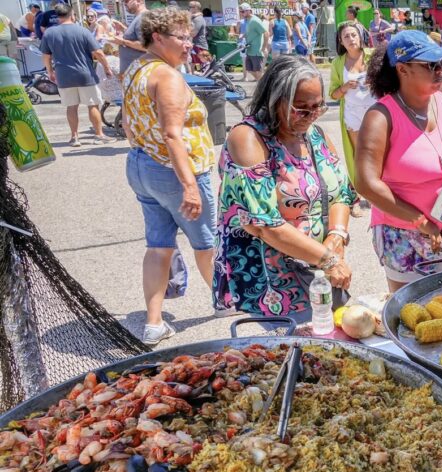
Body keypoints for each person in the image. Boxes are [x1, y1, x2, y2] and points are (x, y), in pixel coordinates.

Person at [215, 56, 354, 318]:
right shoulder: (248, 138)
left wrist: (336, 236)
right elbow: (261, 223)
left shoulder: (315, 135)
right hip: (272, 280)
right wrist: (328, 259)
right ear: (275, 99)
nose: (311, 116)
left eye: (318, 107)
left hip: (320, 270)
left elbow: (341, 194)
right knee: (284, 353)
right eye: (302, 108)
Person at [355, 30, 442, 291]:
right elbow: (366, 183)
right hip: (404, 236)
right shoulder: (380, 116)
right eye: (431, 65)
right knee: (412, 314)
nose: (440, 71)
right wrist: (422, 223)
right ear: (402, 70)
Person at [122, 9, 217, 344]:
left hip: (142, 164)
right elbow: (172, 134)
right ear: (158, 38)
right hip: (175, 171)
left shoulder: (136, 67)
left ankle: (153, 322)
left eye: (190, 36)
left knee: (159, 245)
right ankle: (225, 300)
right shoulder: (168, 76)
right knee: (206, 242)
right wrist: (190, 186)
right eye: (181, 37)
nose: (189, 44)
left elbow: (127, 122)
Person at [40, 3, 114, 147]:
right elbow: (98, 52)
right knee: (92, 104)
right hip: (85, 74)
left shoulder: (49, 33)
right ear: (72, 14)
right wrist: (107, 68)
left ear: (57, 17)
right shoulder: (83, 31)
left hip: (63, 75)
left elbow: (45, 55)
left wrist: (50, 71)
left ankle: (74, 137)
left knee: (71, 107)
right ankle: (99, 135)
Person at [329, 21, 374, 192]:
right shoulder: (337, 63)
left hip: (375, 112)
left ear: (360, 36)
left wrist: (375, 81)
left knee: (379, 150)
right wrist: (344, 87)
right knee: (359, 154)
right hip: (352, 114)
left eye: (353, 34)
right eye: (346, 36)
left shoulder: (373, 55)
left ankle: (382, 188)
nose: (351, 39)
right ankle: (361, 192)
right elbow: (333, 94)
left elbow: (390, 80)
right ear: (341, 41)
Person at [111, 0, 147, 75]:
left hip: (138, 73)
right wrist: (123, 28)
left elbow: (146, 46)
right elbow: (135, 36)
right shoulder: (139, 17)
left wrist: (122, 42)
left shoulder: (143, 18)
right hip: (132, 72)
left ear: (138, 1)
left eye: (127, 1)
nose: (124, 3)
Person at [236, 3, 267, 82]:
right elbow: (250, 32)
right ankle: (263, 82)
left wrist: (263, 48)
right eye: (241, 12)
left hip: (256, 51)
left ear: (249, 11)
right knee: (249, 69)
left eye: (243, 12)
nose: (241, 13)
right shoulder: (248, 20)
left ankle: (263, 83)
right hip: (250, 49)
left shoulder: (255, 20)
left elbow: (266, 33)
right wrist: (242, 36)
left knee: (258, 71)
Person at [188, 1, 209, 70]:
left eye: (190, 7)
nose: (189, 9)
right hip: (197, 45)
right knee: (193, 63)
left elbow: (193, 34)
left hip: (199, 45)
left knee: (195, 64)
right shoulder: (195, 18)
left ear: (196, 8)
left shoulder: (198, 19)